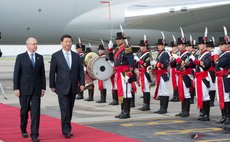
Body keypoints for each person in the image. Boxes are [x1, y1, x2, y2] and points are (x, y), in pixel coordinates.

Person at [49, 34, 84, 138]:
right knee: (64, 109)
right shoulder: (56, 55)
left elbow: (80, 71)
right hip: (61, 87)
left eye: (70, 42)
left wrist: (82, 83)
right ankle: (66, 130)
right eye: (66, 41)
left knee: (70, 109)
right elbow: (52, 72)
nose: (68, 43)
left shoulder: (76, 56)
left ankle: (67, 127)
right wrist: (52, 85)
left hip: (73, 87)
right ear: (61, 43)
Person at [13, 37, 46, 142]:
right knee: (24, 112)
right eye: (33, 44)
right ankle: (23, 128)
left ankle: (35, 134)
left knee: (35, 113)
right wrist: (16, 88)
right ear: (27, 45)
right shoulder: (20, 57)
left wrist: (43, 88)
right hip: (24, 90)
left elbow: (42, 74)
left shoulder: (40, 58)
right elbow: (16, 74)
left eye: (36, 44)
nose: (35, 46)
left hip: (36, 90)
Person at [108, 32, 135, 119]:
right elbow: (113, 60)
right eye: (117, 39)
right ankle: (123, 111)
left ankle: (127, 113)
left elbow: (131, 64)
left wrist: (129, 74)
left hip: (125, 73)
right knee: (122, 93)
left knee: (127, 93)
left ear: (123, 40)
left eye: (119, 39)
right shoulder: (117, 49)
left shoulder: (126, 48)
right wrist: (109, 50)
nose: (118, 41)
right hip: (118, 73)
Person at [189, 36, 211, 121]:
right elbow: (195, 65)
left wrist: (195, 60)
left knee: (205, 96)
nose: (200, 46)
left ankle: (206, 115)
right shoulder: (199, 54)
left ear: (205, 45)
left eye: (201, 44)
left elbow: (205, 66)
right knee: (199, 96)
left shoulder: (207, 54)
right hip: (198, 77)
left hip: (203, 77)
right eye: (199, 44)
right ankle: (202, 113)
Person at [171, 37, 192, 117]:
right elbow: (173, 65)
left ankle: (186, 111)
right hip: (179, 75)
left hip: (185, 75)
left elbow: (185, 64)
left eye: (180, 45)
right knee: (181, 93)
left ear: (184, 45)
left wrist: (178, 59)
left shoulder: (187, 54)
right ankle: (183, 110)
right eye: (178, 45)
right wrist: (172, 60)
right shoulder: (179, 54)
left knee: (186, 93)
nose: (179, 46)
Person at [151, 39, 170, 114]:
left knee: (164, 91)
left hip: (163, 74)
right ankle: (161, 108)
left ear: (163, 46)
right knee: (161, 92)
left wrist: (156, 64)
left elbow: (164, 65)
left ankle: (164, 109)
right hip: (159, 74)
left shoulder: (165, 53)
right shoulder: (160, 53)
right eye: (158, 45)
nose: (158, 46)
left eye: (160, 45)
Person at [215, 35, 230, 125]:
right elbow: (216, 65)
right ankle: (224, 115)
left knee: (226, 97)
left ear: (227, 45)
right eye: (220, 45)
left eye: (222, 45)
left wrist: (216, 57)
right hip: (221, 77)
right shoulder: (223, 54)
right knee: (222, 97)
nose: (220, 47)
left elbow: (219, 63)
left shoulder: (228, 54)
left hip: (225, 78)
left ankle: (228, 116)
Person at [135, 40, 152, 111]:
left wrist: (138, 60)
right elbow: (137, 64)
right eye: (140, 46)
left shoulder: (147, 54)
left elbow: (146, 64)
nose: (140, 47)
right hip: (141, 72)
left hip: (145, 73)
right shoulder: (140, 54)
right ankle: (145, 104)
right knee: (144, 89)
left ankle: (147, 105)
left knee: (146, 89)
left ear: (145, 46)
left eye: (142, 46)